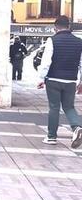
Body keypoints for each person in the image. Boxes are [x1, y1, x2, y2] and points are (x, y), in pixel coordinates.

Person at [36, 15, 82, 147]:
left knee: (54, 107)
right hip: (70, 80)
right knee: (69, 106)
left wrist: (41, 78)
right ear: (69, 26)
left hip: (54, 80)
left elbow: (46, 62)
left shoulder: (52, 40)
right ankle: (76, 127)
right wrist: (81, 81)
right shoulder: (79, 42)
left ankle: (51, 137)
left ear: (55, 28)